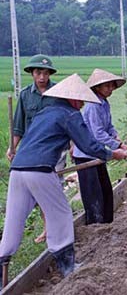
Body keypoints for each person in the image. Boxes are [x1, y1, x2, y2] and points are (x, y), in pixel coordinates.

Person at [0, 74, 127, 285]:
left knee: (15, 218)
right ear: (74, 99)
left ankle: (3, 261)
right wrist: (112, 154)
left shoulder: (44, 113)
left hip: (18, 170)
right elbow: (88, 145)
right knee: (60, 214)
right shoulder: (70, 114)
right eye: (81, 101)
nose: (82, 105)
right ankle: (68, 266)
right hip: (40, 170)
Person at [6, 54, 61, 244]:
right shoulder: (25, 95)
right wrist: (12, 147)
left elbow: (68, 120)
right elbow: (19, 125)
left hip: (53, 150)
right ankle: (46, 229)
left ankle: (53, 231)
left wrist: (71, 144)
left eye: (46, 73)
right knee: (35, 192)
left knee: (51, 191)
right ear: (32, 73)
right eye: (38, 72)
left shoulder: (58, 92)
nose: (42, 77)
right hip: (30, 150)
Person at [72, 69, 127, 225]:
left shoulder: (104, 103)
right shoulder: (93, 105)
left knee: (105, 190)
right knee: (93, 194)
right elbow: (98, 134)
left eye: (112, 86)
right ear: (97, 88)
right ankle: (95, 225)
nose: (110, 89)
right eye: (107, 86)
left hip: (98, 153)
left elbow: (108, 126)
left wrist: (116, 137)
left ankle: (107, 222)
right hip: (85, 154)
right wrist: (117, 145)